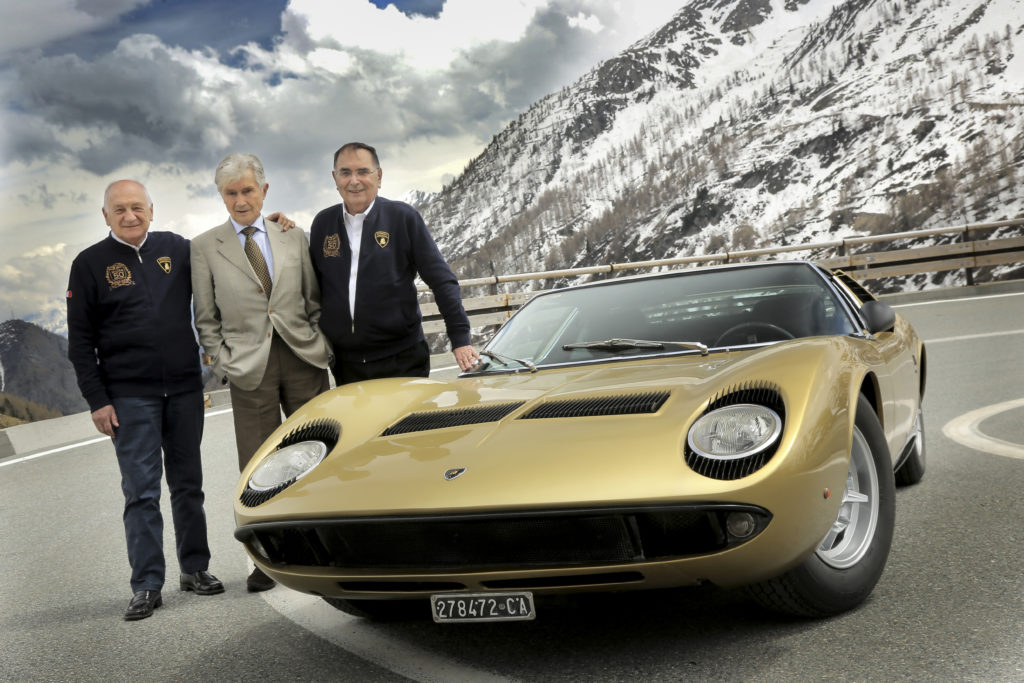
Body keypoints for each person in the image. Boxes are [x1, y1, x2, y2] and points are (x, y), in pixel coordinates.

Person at [66, 180, 223, 621]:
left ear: (151, 210)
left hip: (185, 389)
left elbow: (224, 255)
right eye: (119, 209)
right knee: (141, 492)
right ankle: (147, 584)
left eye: (137, 207)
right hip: (129, 396)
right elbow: (80, 342)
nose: (130, 216)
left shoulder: (177, 248)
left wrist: (269, 224)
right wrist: (97, 400)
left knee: (188, 485)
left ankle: (195, 569)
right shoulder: (89, 264)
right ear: (105, 216)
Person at [191, 153, 332, 592]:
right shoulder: (204, 247)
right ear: (221, 196)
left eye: (248, 191)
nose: (240, 200)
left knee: (322, 452)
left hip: (302, 357)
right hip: (248, 368)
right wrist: (223, 362)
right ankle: (266, 558)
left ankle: (328, 545)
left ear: (264, 191)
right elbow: (205, 318)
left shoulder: (293, 236)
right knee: (256, 466)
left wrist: (318, 342)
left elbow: (312, 297)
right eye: (231, 193)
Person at [309, 142, 479, 385]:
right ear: (335, 179)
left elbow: (442, 280)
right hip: (346, 364)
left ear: (378, 177)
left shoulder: (402, 218)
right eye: (345, 173)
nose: (354, 181)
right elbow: (312, 287)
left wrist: (460, 338)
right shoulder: (323, 224)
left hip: (402, 358)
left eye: (363, 172)